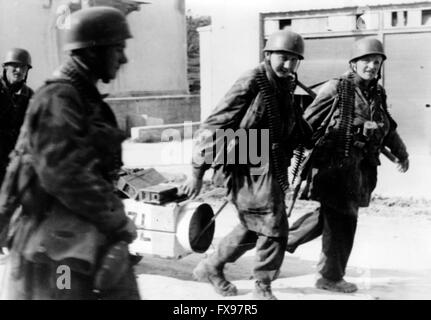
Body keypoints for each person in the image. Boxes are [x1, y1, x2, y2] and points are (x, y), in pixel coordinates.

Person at [0, 6, 139, 300]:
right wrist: (117, 219)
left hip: (77, 239)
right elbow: (63, 174)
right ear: (92, 52)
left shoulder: (81, 97)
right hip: (54, 254)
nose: (124, 58)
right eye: (118, 49)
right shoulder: (59, 98)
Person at [180, 30, 312, 300]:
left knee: (256, 224)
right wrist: (196, 171)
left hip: (269, 164)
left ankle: (211, 267)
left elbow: (288, 123)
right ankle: (262, 286)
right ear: (268, 55)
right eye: (283, 57)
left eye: (294, 60)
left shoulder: (285, 85)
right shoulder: (254, 79)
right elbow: (214, 124)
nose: (288, 65)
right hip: (244, 162)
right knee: (275, 225)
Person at [286, 38, 409, 293]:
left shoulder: (376, 92)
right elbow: (307, 123)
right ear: (353, 63)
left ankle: (276, 240)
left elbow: (387, 126)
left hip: (361, 169)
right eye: (366, 61)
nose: (372, 66)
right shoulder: (336, 88)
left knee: (328, 217)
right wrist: (284, 151)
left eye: (377, 62)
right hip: (335, 167)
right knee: (344, 220)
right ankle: (330, 276)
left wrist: (401, 153)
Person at [0, 48, 33, 184]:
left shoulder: (30, 96)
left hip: (16, 160)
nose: (18, 71)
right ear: (5, 68)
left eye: (23, 67)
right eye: (15, 66)